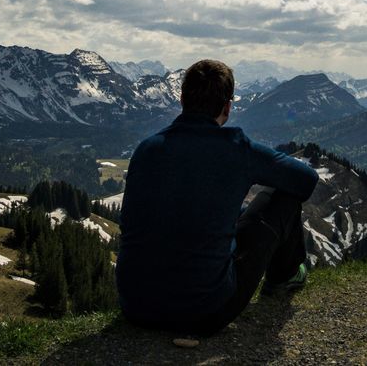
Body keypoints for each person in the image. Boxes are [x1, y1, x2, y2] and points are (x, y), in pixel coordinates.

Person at [116, 58, 319, 336]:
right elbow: (305, 180)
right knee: (281, 198)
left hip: (136, 307)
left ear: (181, 99)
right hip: (204, 312)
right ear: (227, 107)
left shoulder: (146, 150)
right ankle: (283, 278)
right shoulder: (236, 148)